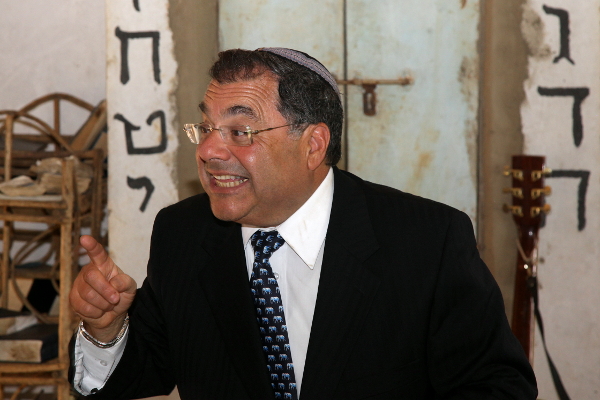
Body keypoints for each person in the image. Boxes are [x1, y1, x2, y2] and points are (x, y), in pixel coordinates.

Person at [69, 47, 537, 399]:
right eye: (206, 128)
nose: (209, 151)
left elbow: (498, 386)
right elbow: (142, 371)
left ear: (313, 145)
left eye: (240, 131)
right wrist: (106, 329)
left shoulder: (425, 242)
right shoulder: (184, 234)